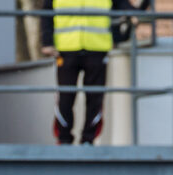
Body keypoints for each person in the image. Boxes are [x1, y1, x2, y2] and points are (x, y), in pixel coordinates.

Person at [40, 0, 136, 145]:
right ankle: (64, 139)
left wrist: (133, 13)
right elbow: (46, 12)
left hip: (97, 48)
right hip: (66, 49)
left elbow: (121, 4)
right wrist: (47, 42)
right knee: (65, 97)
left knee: (95, 97)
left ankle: (88, 140)